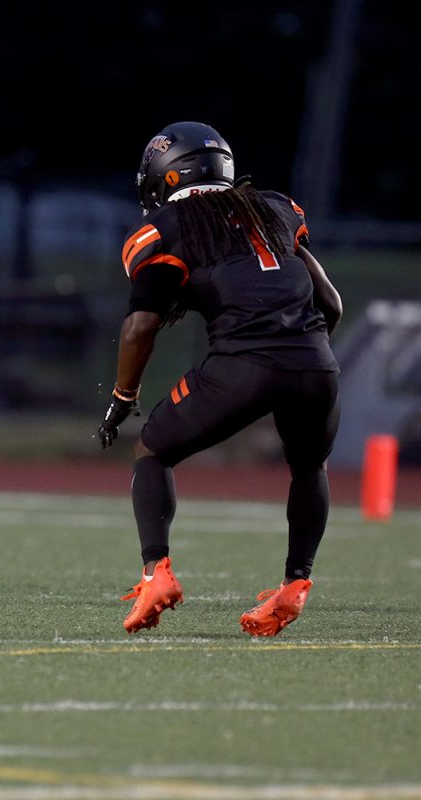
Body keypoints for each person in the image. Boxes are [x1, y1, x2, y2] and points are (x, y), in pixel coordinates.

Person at [97, 121, 342, 637]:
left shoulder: (167, 227)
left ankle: (155, 574)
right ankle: (295, 585)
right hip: (317, 362)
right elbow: (331, 304)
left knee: (154, 450)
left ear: (165, 177)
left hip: (245, 363)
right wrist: (303, 357)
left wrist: (123, 397)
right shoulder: (273, 208)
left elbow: (141, 323)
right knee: (308, 465)